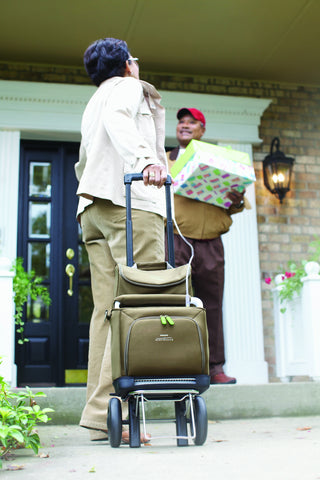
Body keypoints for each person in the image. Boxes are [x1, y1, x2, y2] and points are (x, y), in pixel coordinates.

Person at [75, 38, 167, 441]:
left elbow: (84, 160)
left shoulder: (94, 99)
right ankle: (123, 417)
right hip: (129, 205)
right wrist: (146, 159)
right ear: (127, 64)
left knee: (106, 313)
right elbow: (121, 119)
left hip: (93, 207)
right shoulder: (127, 88)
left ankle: (100, 417)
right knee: (140, 306)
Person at [167, 108, 250, 384]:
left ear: (202, 130)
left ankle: (215, 368)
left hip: (212, 243)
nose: (185, 126)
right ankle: (178, 366)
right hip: (177, 239)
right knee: (178, 303)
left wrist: (236, 198)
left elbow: (237, 205)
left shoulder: (217, 161)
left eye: (192, 122)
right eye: (181, 122)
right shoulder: (163, 161)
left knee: (212, 306)